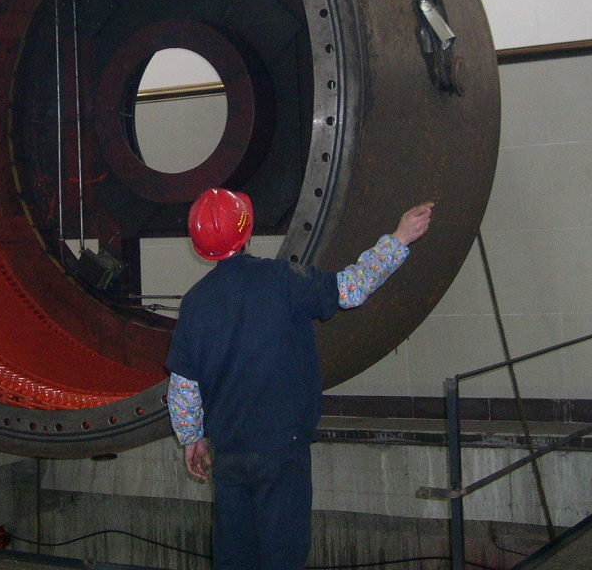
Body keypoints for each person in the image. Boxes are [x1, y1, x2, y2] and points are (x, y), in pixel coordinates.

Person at [165, 188, 434, 570]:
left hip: (228, 454)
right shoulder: (284, 280)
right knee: (282, 555)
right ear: (247, 230)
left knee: (234, 557)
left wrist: (191, 437)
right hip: (282, 452)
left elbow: (184, 385)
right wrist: (400, 237)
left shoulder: (195, 303)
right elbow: (351, 288)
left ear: (201, 247)